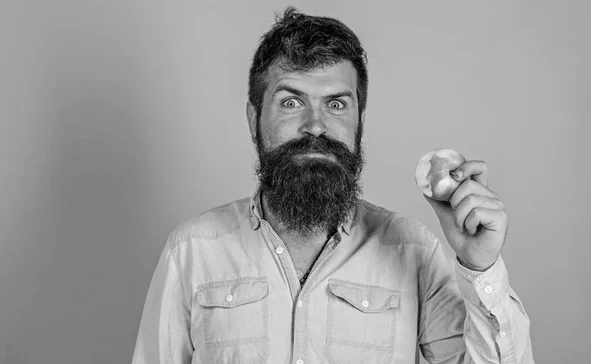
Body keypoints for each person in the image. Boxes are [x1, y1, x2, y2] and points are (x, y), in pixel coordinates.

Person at [132, 7, 534, 364]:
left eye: (336, 104)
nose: (316, 126)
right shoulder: (191, 252)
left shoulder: (414, 251)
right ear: (254, 117)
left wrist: (480, 267)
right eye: (291, 102)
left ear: (360, 120)